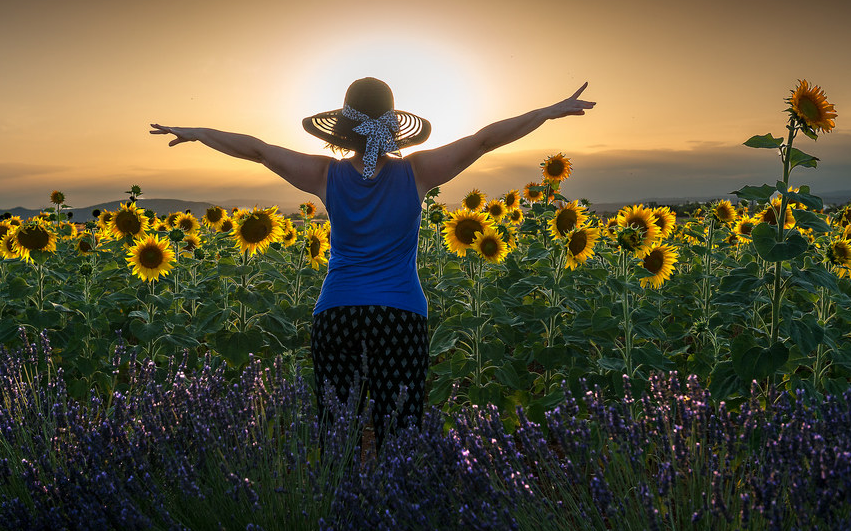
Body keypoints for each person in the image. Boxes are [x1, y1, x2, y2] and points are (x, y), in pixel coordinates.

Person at [150, 77, 594, 446]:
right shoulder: (417, 172)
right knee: (399, 433)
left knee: (335, 434)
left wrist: (199, 133)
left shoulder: (325, 174)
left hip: (336, 313)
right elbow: (483, 140)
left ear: (342, 128)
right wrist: (546, 112)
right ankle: (395, 516)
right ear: (394, 126)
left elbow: (259, 149)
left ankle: (335, 514)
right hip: (400, 314)